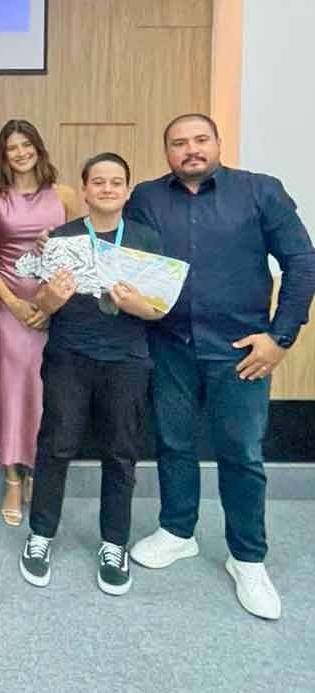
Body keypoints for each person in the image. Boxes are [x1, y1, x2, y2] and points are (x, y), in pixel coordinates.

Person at [127, 114, 315, 620]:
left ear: (217, 143)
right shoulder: (147, 197)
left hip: (241, 350)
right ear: (166, 151)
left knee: (241, 453)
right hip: (169, 344)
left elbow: (302, 262)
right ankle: (177, 530)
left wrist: (280, 337)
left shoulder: (259, 191)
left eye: (200, 140)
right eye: (179, 143)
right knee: (173, 442)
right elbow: (131, 260)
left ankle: (248, 558)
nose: (190, 149)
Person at [18, 153, 164, 596]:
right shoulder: (61, 238)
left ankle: (114, 544)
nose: (106, 188)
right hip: (69, 358)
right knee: (55, 446)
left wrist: (136, 305)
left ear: (127, 190)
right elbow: (39, 304)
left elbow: (159, 309)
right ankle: (41, 535)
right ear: (83, 190)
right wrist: (52, 300)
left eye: (116, 182)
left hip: (127, 361)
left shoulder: (145, 239)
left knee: (121, 453)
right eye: (98, 181)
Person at [0, 119, 79, 525]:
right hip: (7, 306)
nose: (20, 153)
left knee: (45, 387)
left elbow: (79, 254)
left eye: (26, 145)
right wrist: (13, 304)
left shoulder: (65, 194)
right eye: (12, 148)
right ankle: (13, 478)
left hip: (56, 305)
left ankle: (39, 468)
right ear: (3, 155)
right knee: (12, 386)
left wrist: (49, 303)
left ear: (38, 147)